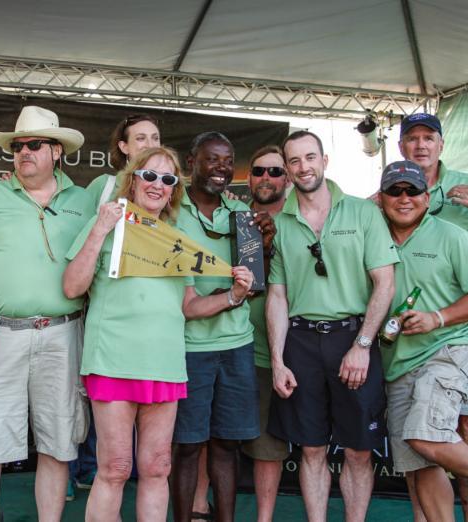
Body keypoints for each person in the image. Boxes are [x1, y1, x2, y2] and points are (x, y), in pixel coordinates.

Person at [0, 105, 93, 522]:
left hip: (65, 336)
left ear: (57, 151)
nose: (23, 152)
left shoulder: (83, 202)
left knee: (59, 445)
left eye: (34, 144)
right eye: (17, 146)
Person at [267, 130, 398, 522]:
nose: (303, 166)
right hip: (301, 342)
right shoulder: (281, 223)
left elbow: (385, 282)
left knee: (358, 449)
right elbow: (277, 296)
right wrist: (277, 360)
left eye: (310, 157)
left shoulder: (363, 212)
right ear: (288, 171)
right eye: (294, 161)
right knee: (310, 448)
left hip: (353, 338)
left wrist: (361, 344)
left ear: (325, 161)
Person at [63, 146, 188, 521]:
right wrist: (100, 229)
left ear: (174, 190)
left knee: (157, 466)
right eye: (149, 175)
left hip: (164, 364)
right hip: (113, 360)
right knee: (116, 467)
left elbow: (189, 304)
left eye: (167, 179)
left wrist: (233, 294)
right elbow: (72, 287)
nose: (157, 184)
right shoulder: (105, 222)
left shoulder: (178, 236)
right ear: (132, 179)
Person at [377, 159, 468, 521]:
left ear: (426, 198)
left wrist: (436, 318)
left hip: (446, 350)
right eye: (394, 191)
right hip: (397, 362)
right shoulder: (373, 236)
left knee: (425, 436)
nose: (404, 198)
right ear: (381, 197)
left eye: (412, 191)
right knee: (421, 464)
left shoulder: (452, 236)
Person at [169, 132, 265, 522]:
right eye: (213, 159)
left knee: (227, 444)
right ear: (191, 163)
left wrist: (264, 250)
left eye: (228, 160)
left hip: (237, 343)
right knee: (188, 446)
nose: (222, 168)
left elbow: (254, 286)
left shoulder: (242, 214)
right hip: (189, 346)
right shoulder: (171, 212)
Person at [240, 145, 292, 522]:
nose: (267, 178)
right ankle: (199, 508)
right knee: (213, 438)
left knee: (269, 447)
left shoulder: (302, 219)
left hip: (281, 352)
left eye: (276, 171)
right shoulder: (234, 218)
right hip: (231, 346)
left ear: (287, 178)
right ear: (249, 177)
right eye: (260, 171)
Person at [85, 114, 161, 208]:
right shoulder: (103, 185)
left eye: (155, 138)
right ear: (124, 147)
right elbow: (79, 222)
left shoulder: (170, 188)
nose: (150, 145)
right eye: (141, 138)